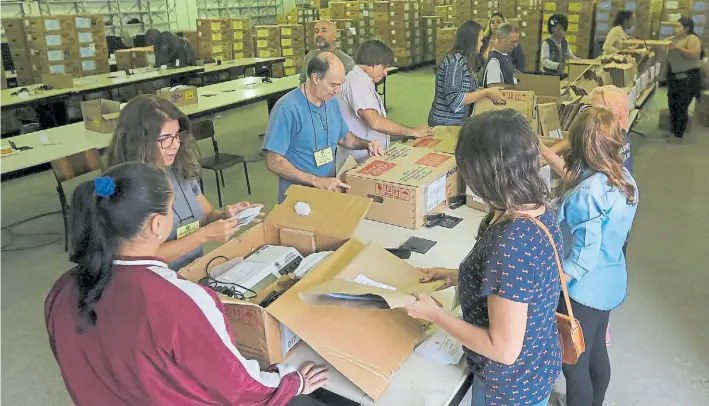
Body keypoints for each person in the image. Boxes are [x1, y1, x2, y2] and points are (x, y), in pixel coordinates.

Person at [45, 162, 329, 405]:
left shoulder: (61, 289)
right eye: (171, 208)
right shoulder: (180, 302)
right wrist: (293, 382)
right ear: (157, 224)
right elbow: (239, 387)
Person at [405, 109, 563, 406]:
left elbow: (503, 349)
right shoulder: (536, 208)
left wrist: (434, 315)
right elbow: (522, 285)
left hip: (509, 391)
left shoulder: (511, 243)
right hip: (536, 364)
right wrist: (456, 275)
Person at [105, 95, 262, 271]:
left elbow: (206, 215)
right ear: (139, 142)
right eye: (165, 138)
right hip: (158, 279)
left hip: (193, 269)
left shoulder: (179, 168)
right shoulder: (126, 188)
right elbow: (143, 256)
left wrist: (227, 216)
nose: (175, 145)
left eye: (177, 135)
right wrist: (203, 236)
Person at [555, 107, 639, 406]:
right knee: (595, 352)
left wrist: (549, 285)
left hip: (584, 291)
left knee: (573, 362)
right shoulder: (624, 178)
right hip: (611, 278)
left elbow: (581, 261)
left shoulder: (590, 194)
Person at [264, 52, 384, 203]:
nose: (337, 90)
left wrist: (367, 144)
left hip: (329, 189)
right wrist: (315, 180)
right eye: (333, 85)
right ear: (315, 78)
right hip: (298, 198)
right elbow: (273, 161)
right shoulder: (287, 108)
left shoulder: (331, 102)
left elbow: (345, 138)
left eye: (340, 85)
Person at [336, 39, 433, 168]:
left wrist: (403, 135)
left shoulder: (364, 82)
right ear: (372, 62)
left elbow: (374, 126)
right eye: (384, 67)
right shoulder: (356, 83)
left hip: (369, 155)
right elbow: (375, 122)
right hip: (358, 160)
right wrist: (412, 131)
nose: (385, 72)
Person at [428, 20, 505, 126]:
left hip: (457, 122)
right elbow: (455, 100)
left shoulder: (464, 60)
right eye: (480, 40)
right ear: (472, 41)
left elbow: (467, 91)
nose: (482, 44)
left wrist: (487, 91)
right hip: (445, 123)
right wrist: (486, 92)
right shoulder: (455, 62)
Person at [667, 17, 702, 139]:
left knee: (682, 105)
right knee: (673, 104)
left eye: (678, 26)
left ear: (687, 28)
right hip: (674, 78)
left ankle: (678, 133)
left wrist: (678, 49)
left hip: (688, 78)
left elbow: (695, 53)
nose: (676, 29)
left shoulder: (692, 38)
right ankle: (673, 129)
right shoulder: (675, 39)